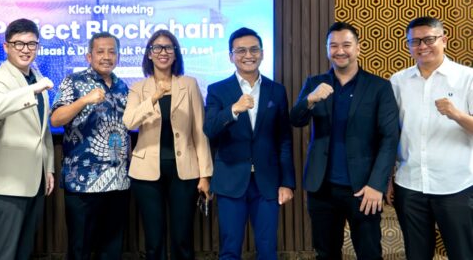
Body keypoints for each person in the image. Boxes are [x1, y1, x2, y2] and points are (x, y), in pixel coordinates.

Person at [291, 21, 399, 260]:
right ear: (327, 49)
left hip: (363, 189)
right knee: (326, 253)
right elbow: (296, 120)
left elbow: (390, 138)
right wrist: (310, 99)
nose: (340, 51)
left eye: (346, 45)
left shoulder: (379, 87)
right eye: (333, 46)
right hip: (321, 188)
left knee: (369, 254)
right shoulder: (315, 83)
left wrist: (377, 185)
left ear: (358, 48)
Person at [203, 27, 295, 260]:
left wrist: (287, 183)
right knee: (229, 249)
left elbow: (284, 139)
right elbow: (210, 130)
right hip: (231, 180)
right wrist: (233, 109)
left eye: (254, 50)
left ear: (262, 53)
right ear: (231, 56)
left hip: (267, 182)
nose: (248, 55)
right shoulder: (217, 90)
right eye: (241, 51)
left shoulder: (277, 90)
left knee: (268, 249)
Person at [123, 29, 213, 260]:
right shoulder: (138, 88)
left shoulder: (189, 84)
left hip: (184, 172)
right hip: (146, 174)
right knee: (154, 241)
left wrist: (205, 175)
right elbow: (129, 122)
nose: (163, 52)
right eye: (157, 48)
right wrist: (154, 97)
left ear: (175, 53)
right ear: (149, 54)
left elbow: (199, 131)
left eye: (168, 47)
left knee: (182, 239)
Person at [388, 16, 473, 260]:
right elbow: (390, 133)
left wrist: (457, 114)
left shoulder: (467, 78)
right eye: (415, 41)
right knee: (416, 254)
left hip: (456, 185)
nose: (422, 46)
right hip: (410, 184)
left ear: (443, 40)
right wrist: (388, 177)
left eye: (429, 39)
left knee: (463, 253)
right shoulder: (398, 81)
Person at [0, 18, 55, 260]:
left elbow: (42, 129)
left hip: (34, 181)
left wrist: (48, 168)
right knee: (3, 254)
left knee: (23, 252)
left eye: (31, 44)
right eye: (19, 44)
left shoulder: (36, 75)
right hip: (7, 185)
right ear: (6, 46)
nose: (25, 49)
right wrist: (32, 90)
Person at [51, 32, 130, 260]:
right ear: (89, 56)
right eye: (100, 51)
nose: (107, 56)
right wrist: (84, 100)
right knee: (80, 249)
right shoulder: (73, 81)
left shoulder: (122, 87)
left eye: (112, 51)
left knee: (112, 250)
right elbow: (55, 119)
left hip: (118, 181)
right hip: (83, 181)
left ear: (118, 56)